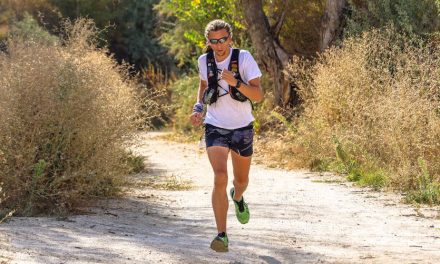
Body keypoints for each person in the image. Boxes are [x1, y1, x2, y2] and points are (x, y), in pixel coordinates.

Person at [190, 19, 263, 253]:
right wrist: (198, 108)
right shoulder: (205, 61)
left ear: (230, 39)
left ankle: (238, 197)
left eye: (223, 40)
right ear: (208, 42)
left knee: (240, 182)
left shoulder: (243, 58)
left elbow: (258, 95)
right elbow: (203, 85)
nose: (219, 45)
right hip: (215, 126)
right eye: (214, 41)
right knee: (219, 176)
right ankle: (221, 235)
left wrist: (236, 82)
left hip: (242, 127)